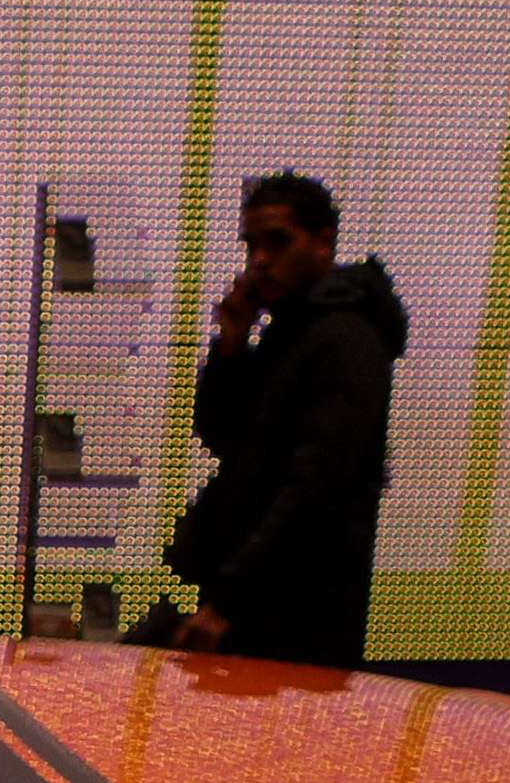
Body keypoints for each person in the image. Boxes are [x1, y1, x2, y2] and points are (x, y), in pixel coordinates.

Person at [164, 171, 405, 666]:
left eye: (277, 241)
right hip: (261, 605)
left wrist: (229, 601)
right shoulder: (289, 331)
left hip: (299, 618)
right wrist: (232, 344)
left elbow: (314, 488)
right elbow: (226, 439)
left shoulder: (345, 339)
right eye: (251, 245)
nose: (259, 260)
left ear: (323, 243)